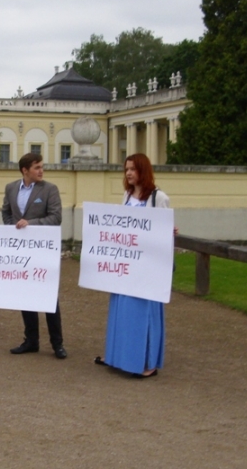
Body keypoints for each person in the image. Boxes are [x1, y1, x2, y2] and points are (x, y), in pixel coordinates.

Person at [94, 153, 174, 378]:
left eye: (132, 169)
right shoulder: (127, 195)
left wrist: (169, 231)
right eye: (126, 169)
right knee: (123, 310)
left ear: (143, 171)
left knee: (142, 312)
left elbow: (163, 231)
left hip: (147, 267)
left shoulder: (159, 197)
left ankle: (148, 362)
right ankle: (118, 356)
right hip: (127, 264)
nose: (128, 173)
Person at [2, 152, 67, 359]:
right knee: (26, 295)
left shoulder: (49, 189)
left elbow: (56, 217)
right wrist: (12, 229)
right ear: (25, 170)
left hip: (43, 250)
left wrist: (30, 224)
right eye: (37, 167)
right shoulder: (11, 188)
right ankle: (31, 341)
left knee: (49, 296)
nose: (41, 171)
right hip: (21, 251)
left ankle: (57, 344)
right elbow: (6, 212)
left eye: (41, 167)